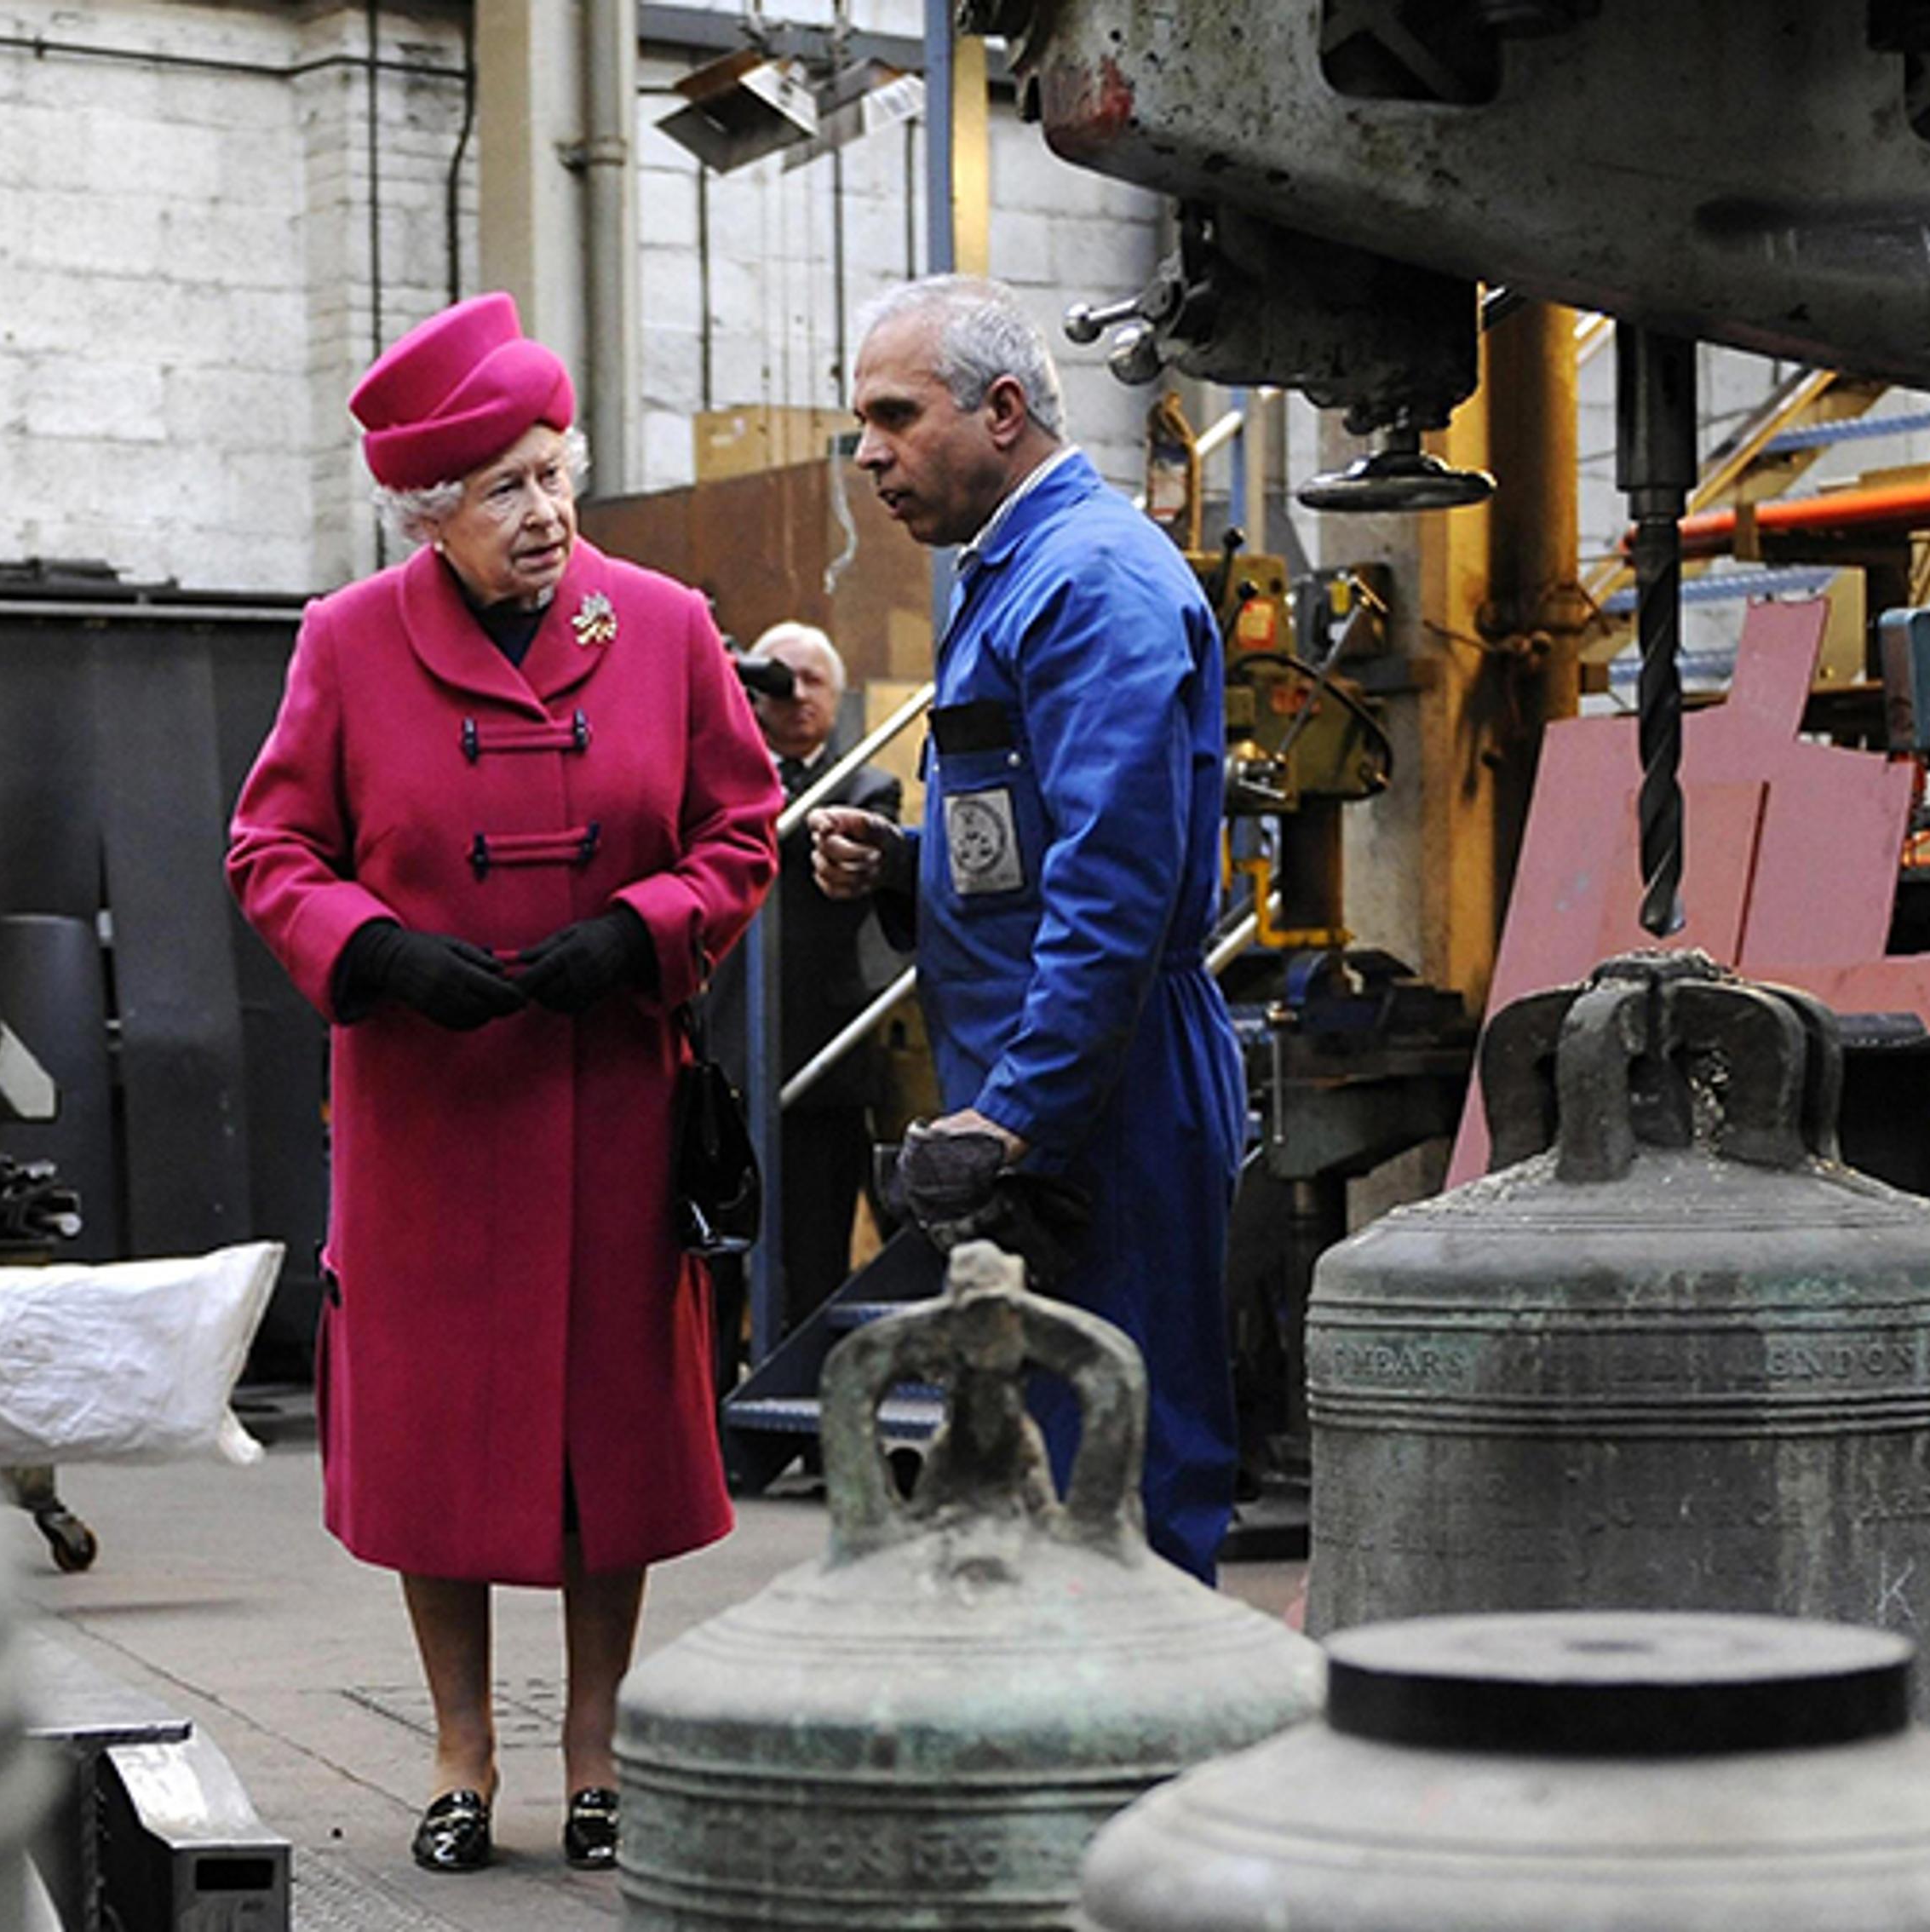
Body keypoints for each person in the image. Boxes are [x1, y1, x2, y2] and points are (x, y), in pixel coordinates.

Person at [225, 293, 778, 1877]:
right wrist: (379, 953)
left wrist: (642, 928)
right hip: (429, 1111)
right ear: (428, 515)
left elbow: (741, 829)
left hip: (612, 1094)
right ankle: (461, 1755)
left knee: (612, 1433)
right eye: (501, 490)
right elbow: (272, 848)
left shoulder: (663, 626)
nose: (544, 513)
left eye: (553, 474)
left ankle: (596, 1754)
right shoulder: (347, 642)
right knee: (439, 1442)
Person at [809, 274, 1248, 1581]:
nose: (869, 454)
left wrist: (1019, 1116)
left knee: (1123, 1465)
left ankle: (1157, 1716)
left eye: (895, 417)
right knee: (1044, 1467)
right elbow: (1034, 842)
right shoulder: (1010, 575)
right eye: (862, 423)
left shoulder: (1090, 582)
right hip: (1044, 1082)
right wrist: (909, 869)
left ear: (1003, 410)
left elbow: (1114, 883)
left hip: (1107, 1089)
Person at [704, 619, 903, 1360]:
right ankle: (713, 1408)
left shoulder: (866, 788)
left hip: (822, 1062)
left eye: (811, 680)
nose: (795, 696)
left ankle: (817, 1404)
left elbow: (822, 863)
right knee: (714, 1260)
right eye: (777, 680)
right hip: (727, 1056)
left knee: (818, 1253)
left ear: (839, 695)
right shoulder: (720, 777)